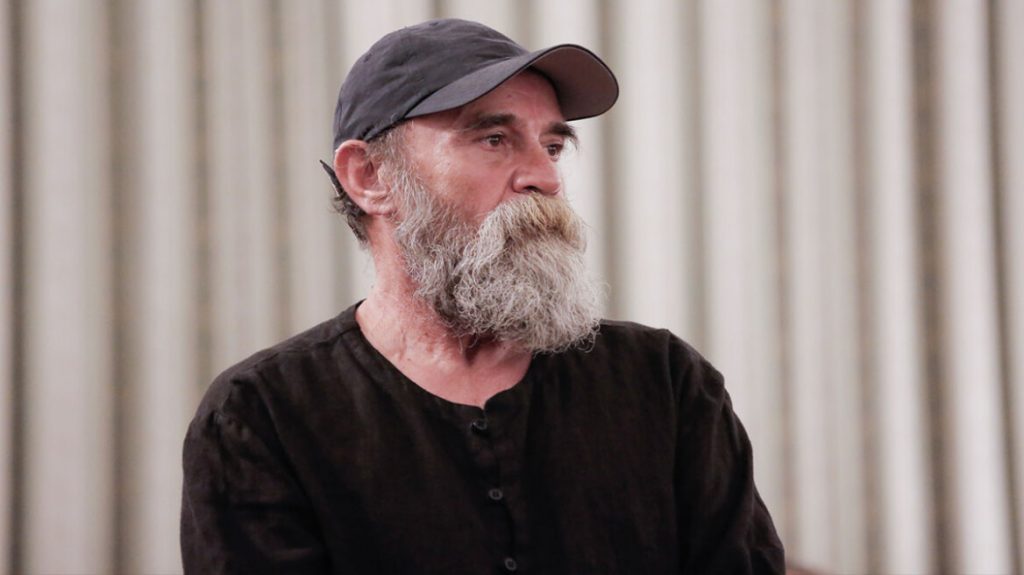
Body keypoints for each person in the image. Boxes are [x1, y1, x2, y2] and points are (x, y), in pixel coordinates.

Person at [181, 18, 784, 574]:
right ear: (370, 177)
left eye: (552, 146)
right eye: (494, 139)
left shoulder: (665, 385)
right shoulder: (263, 416)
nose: (546, 178)